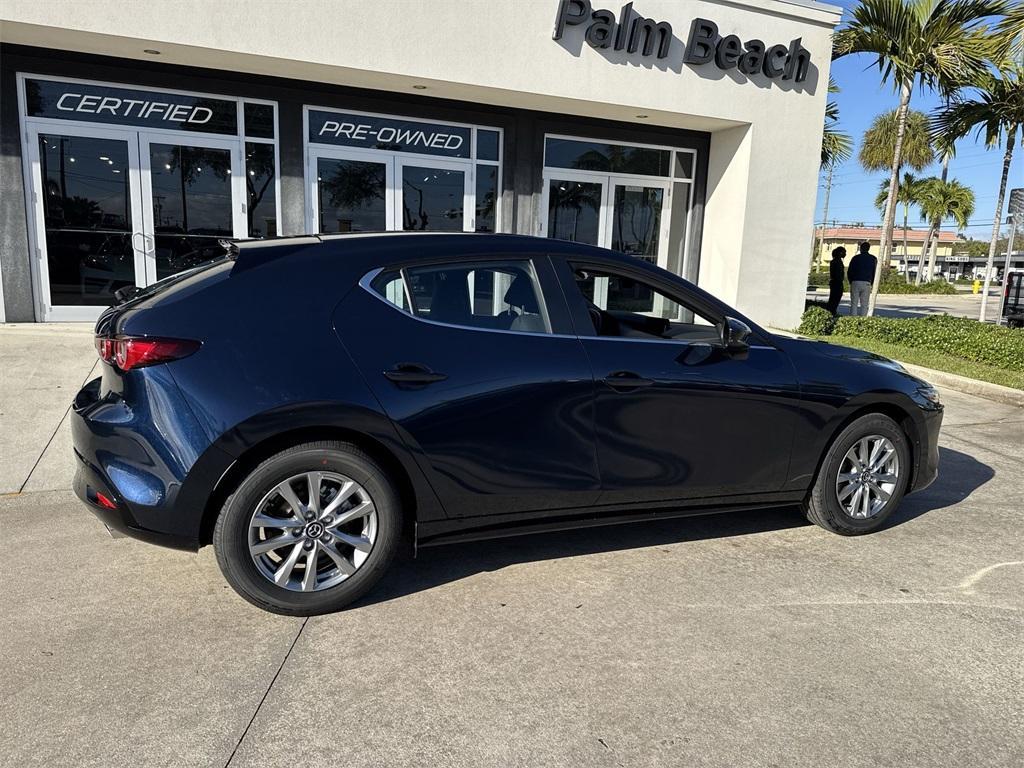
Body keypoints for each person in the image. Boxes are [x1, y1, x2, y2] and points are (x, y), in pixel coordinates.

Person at [847, 241, 877, 316]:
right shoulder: (873, 258)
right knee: (864, 303)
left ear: (861, 248)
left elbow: (850, 271)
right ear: (868, 249)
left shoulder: (855, 258)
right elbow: (874, 272)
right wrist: (872, 283)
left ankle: (853, 319)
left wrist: (851, 281)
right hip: (867, 282)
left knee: (854, 303)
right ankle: (863, 319)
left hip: (855, 281)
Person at [825, 246, 846, 315]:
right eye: (844, 252)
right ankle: (831, 312)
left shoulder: (836, 261)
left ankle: (832, 311)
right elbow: (837, 274)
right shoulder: (836, 262)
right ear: (840, 253)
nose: (845, 254)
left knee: (834, 299)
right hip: (837, 283)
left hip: (835, 282)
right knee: (834, 299)